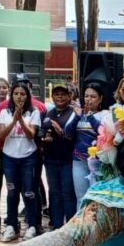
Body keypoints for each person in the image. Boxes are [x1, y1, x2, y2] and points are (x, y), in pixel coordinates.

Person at [0, 79, 42, 242]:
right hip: (9, 157)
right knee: (12, 192)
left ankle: (32, 226)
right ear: (11, 95)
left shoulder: (34, 112)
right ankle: (12, 225)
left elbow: (31, 134)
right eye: (16, 93)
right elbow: (1, 135)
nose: (19, 97)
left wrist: (21, 119)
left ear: (27, 96)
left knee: (29, 192)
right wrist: (14, 120)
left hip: (28, 157)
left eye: (22, 94)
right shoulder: (4, 112)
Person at [40, 83, 79, 228]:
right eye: (57, 94)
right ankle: (56, 226)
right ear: (52, 97)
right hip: (50, 160)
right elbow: (41, 132)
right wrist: (44, 138)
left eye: (63, 94)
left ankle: (69, 227)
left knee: (68, 194)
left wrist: (60, 131)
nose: (60, 97)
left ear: (69, 96)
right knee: (54, 193)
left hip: (67, 160)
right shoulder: (48, 113)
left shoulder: (74, 113)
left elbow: (74, 135)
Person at [72, 82, 106, 202]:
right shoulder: (78, 113)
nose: (88, 99)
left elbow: (102, 131)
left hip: (98, 162)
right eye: (86, 96)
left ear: (100, 98)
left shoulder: (104, 115)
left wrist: (90, 116)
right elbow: (67, 132)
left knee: (96, 198)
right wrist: (77, 117)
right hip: (78, 161)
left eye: (93, 96)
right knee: (81, 198)